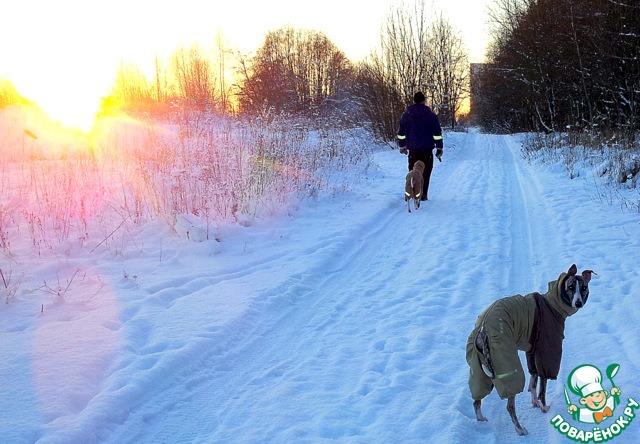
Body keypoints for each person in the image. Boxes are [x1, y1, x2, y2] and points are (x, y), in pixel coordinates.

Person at [397, 91, 443, 201]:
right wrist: (439, 148)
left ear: (414, 100)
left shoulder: (405, 116)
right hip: (427, 151)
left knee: (413, 172)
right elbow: (437, 134)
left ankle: (412, 192)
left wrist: (402, 146)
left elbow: (401, 134)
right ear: (424, 101)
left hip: (413, 150)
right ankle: (423, 195)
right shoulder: (431, 116)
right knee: (426, 173)